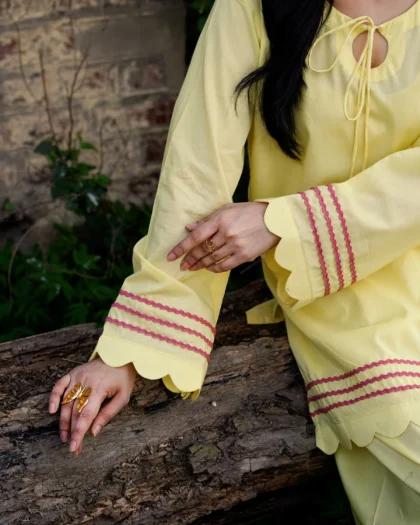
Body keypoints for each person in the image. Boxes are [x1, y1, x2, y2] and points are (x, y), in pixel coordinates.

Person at [49, 0, 420, 522]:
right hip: (338, 296)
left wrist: (283, 221)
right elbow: (196, 169)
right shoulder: (253, 6)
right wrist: (133, 347)